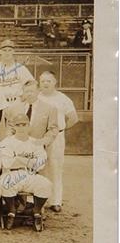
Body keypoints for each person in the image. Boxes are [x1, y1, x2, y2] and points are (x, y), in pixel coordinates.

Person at [0, 114, 52, 232]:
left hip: (30, 174)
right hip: (12, 173)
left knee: (46, 184)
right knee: (5, 183)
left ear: (29, 126)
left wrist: (19, 159)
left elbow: (41, 164)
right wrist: (29, 161)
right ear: (14, 127)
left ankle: (36, 211)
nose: (21, 128)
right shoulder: (7, 142)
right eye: (18, 125)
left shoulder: (35, 142)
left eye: (24, 125)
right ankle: (11, 211)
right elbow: (7, 163)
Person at [37, 71, 78, 213]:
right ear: (39, 83)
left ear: (55, 82)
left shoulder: (63, 99)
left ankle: (56, 201)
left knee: (55, 167)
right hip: (39, 137)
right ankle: (39, 199)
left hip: (56, 137)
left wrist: (60, 130)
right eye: (43, 81)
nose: (46, 83)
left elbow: (73, 118)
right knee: (39, 167)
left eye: (49, 80)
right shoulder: (36, 97)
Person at [4, 80, 58, 148]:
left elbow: (53, 129)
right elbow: (10, 126)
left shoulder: (49, 109)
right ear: (23, 92)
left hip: (38, 147)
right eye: (27, 91)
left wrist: (44, 140)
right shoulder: (15, 108)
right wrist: (10, 138)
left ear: (38, 91)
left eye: (32, 91)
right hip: (17, 147)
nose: (29, 94)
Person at [0, 39, 34, 104]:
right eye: (4, 50)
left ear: (13, 51)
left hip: (17, 101)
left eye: (9, 50)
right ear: (0, 51)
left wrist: (24, 96)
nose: (7, 53)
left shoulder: (21, 68)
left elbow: (32, 84)